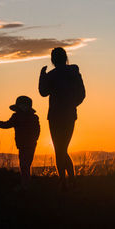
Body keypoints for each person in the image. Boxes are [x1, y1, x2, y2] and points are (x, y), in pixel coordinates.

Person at [39, 47, 85, 191]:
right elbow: (82, 94)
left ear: (53, 60)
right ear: (65, 58)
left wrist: (42, 75)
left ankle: (65, 181)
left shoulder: (51, 75)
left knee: (60, 149)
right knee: (62, 148)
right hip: (70, 115)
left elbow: (43, 92)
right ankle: (69, 180)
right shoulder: (74, 73)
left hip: (55, 116)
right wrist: (72, 104)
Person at [0, 96, 40, 191]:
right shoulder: (32, 117)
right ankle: (26, 184)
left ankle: (25, 186)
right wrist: (34, 140)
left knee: (24, 165)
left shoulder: (17, 117)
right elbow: (38, 131)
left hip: (27, 144)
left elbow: (6, 125)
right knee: (25, 165)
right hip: (30, 144)